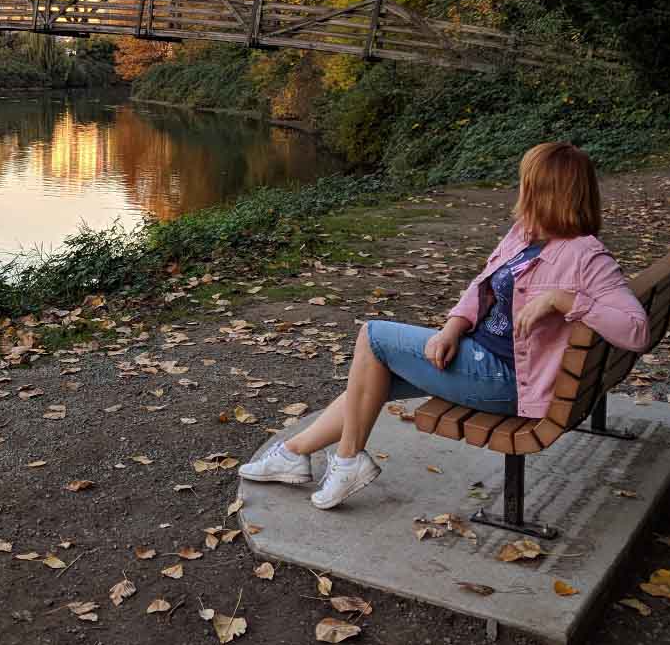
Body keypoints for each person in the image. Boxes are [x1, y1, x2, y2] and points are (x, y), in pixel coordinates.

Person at [238, 142, 649, 509]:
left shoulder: (585, 256)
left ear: (546, 191)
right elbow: (478, 286)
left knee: (373, 337)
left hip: (508, 380)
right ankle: (294, 455)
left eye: (526, 181)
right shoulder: (525, 234)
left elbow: (636, 330)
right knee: (370, 376)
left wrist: (563, 300)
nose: (519, 189)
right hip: (476, 354)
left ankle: (347, 461)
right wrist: (453, 325)